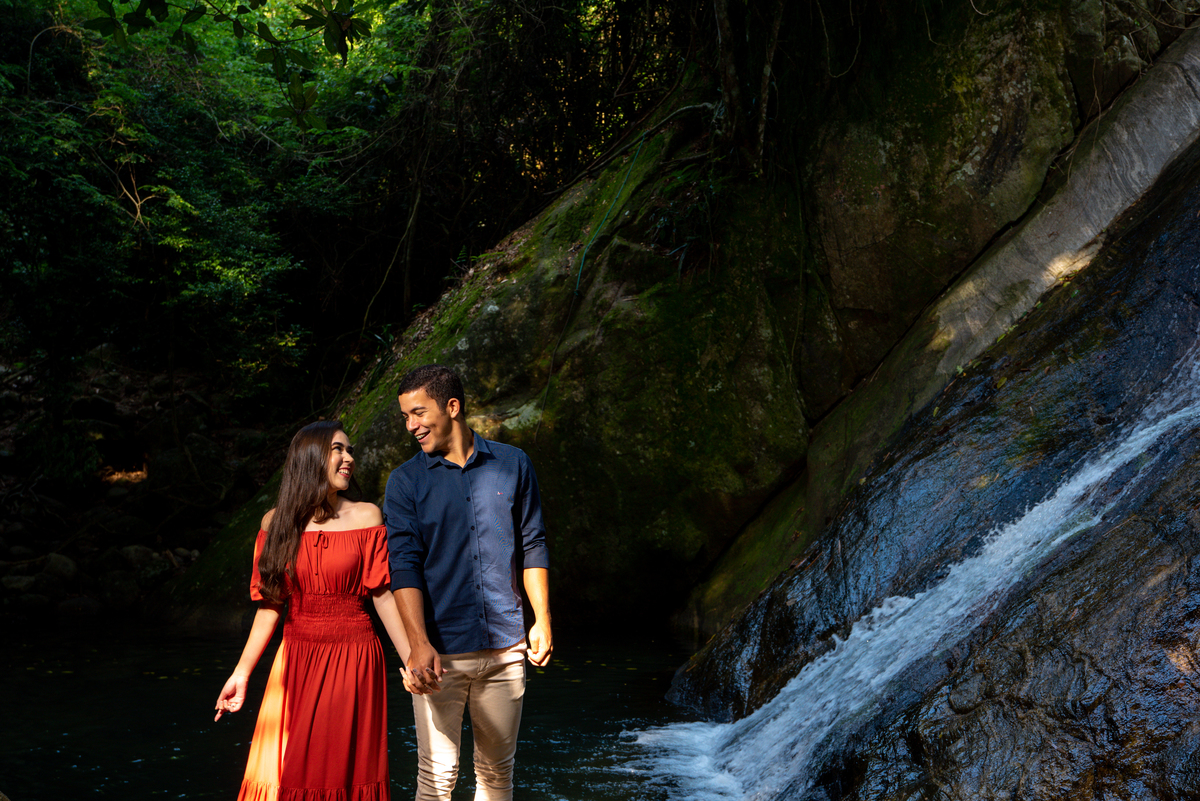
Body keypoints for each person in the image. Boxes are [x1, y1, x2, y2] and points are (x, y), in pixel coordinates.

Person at [214, 419, 418, 801]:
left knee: (337, 768)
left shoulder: (367, 516)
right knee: (282, 771)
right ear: (309, 458)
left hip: (354, 657)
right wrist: (241, 674)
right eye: (338, 449)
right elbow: (270, 605)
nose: (348, 459)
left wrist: (412, 659)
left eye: (350, 450)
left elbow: (383, 595)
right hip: (295, 658)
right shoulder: (275, 523)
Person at [384, 364, 553, 801]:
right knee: (436, 781)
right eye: (405, 417)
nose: (411, 426)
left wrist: (542, 619)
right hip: (440, 656)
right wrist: (418, 644)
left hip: (507, 649)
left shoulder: (514, 464)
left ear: (452, 406)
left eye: (418, 413)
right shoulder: (405, 482)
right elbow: (404, 566)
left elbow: (533, 543)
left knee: (497, 776)